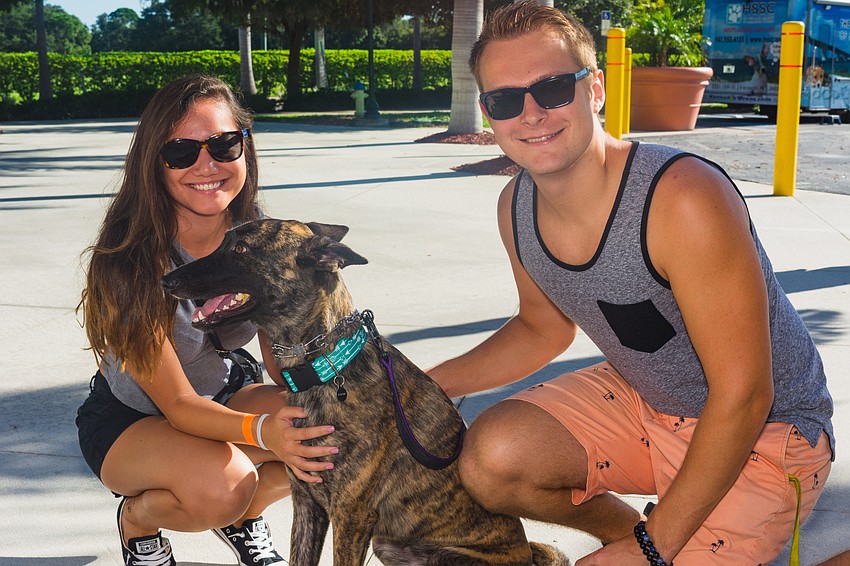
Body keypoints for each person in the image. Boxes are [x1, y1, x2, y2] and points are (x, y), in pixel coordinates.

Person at [428, 2, 835, 565]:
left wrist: (654, 547)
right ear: (488, 113)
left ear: (594, 88)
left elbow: (745, 396)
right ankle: (623, 533)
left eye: (552, 90)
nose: (531, 114)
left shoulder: (682, 198)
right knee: (490, 459)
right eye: (504, 100)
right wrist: (424, 385)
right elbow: (540, 329)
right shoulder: (515, 206)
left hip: (765, 435)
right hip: (645, 399)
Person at [76, 74, 337, 566]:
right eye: (181, 152)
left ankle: (242, 521)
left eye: (223, 144)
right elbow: (177, 404)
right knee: (223, 487)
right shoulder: (128, 260)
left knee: (328, 430)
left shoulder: (255, 237)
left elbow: (282, 369)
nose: (206, 164)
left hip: (222, 391)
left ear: (245, 147)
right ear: (154, 162)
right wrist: (265, 433)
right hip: (132, 420)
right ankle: (139, 521)